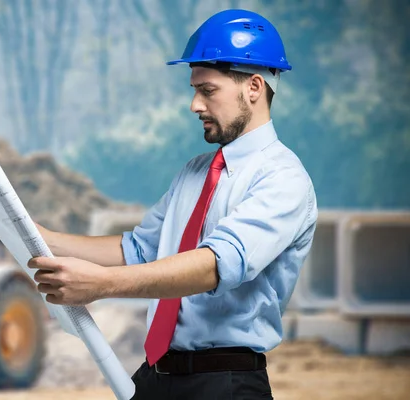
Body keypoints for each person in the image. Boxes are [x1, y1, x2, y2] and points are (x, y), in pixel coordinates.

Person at [29, 8, 318, 400]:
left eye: (208, 90)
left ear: (253, 87)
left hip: (224, 385)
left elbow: (214, 265)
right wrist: (36, 235)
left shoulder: (283, 179)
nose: (194, 105)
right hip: (157, 376)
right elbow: (138, 249)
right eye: (194, 90)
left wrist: (100, 286)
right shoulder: (194, 173)